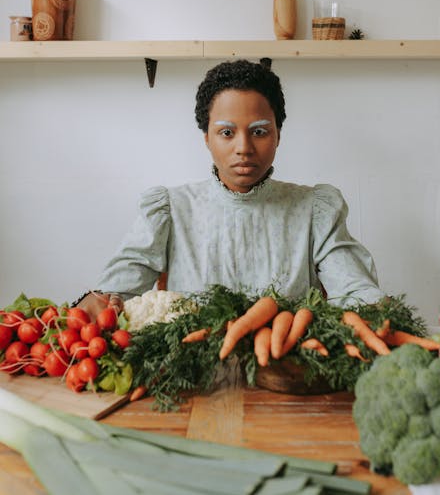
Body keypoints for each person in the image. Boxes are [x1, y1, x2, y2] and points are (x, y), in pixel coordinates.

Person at [76, 59, 384, 318]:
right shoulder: (171, 209)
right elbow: (117, 288)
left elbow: (356, 290)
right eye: (226, 132)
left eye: (259, 132)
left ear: (278, 135)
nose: (244, 148)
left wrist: (373, 312)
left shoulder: (315, 209)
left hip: (289, 373)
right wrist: (106, 301)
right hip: (191, 376)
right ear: (206, 137)